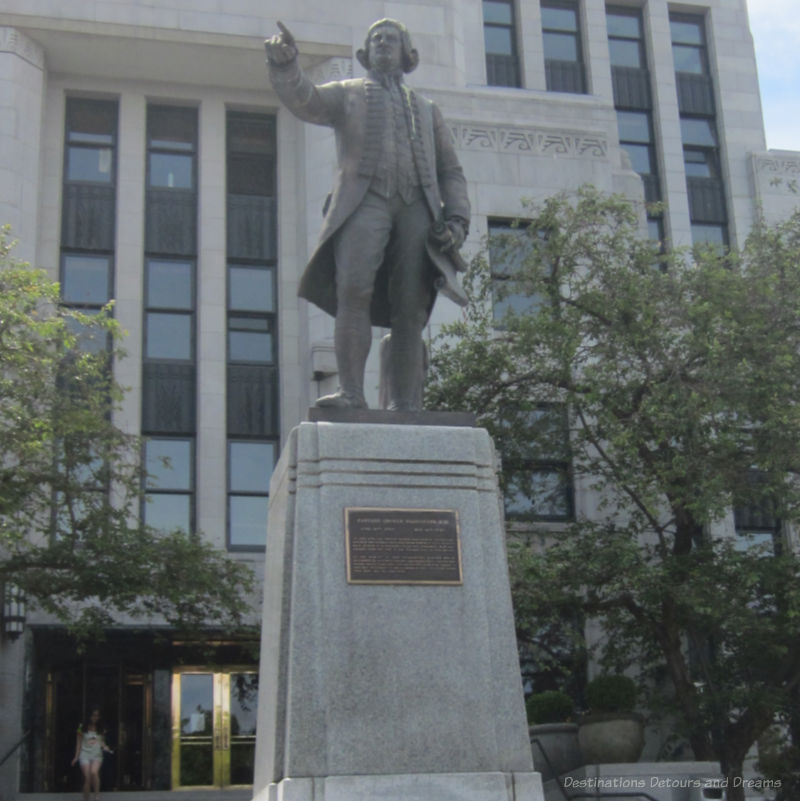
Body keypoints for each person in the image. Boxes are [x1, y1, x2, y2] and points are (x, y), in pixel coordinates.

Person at [265, 18, 471, 411]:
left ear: (407, 53)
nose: (382, 44)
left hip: (417, 209)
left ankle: (406, 403)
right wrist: (286, 65)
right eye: (375, 39)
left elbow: (450, 172)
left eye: (391, 39)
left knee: (410, 307)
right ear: (364, 53)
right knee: (353, 291)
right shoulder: (348, 94)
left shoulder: (428, 111)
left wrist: (458, 220)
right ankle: (352, 393)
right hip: (364, 203)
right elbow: (305, 99)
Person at [71, 707, 113, 801]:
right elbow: (78, 743)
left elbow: (101, 741)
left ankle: (97, 795)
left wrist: (105, 747)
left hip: (96, 754)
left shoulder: (101, 728)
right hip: (84, 754)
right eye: (93, 715)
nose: (95, 718)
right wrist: (76, 757)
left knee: (94, 772)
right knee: (87, 777)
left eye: (97, 716)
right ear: (89, 716)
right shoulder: (81, 727)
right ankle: (86, 798)